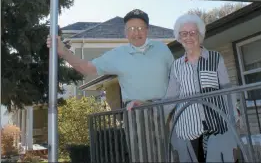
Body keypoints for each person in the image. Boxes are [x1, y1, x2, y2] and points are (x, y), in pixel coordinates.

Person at [47, 9, 174, 161]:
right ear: (125, 32)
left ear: (147, 30)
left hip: (165, 110)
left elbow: (176, 78)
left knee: (170, 155)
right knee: (143, 157)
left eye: (140, 28)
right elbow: (86, 68)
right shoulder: (118, 55)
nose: (136, 32)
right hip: (136, 113)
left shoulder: (162, 49)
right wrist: (63, 52)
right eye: (131, 29)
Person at [164, 13, 238, 163]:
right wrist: (161, 115)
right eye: (184, 33)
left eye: (193, 33)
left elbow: (226, 89)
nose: (188, 37)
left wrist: (233, 115)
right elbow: (171, 97)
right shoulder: (177, 66)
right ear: (179, 37)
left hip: (216, 123)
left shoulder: (215, 58)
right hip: (187, 125)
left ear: (200, 35)